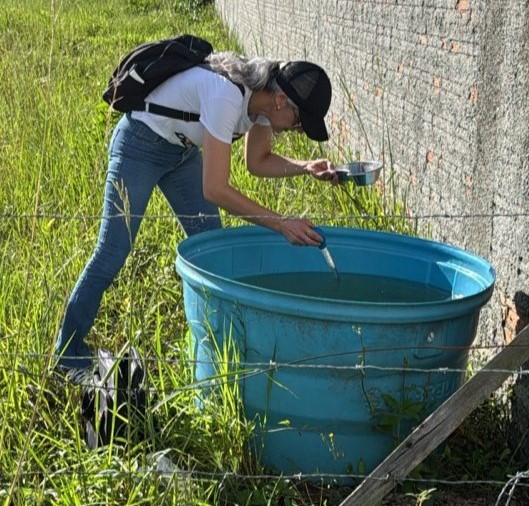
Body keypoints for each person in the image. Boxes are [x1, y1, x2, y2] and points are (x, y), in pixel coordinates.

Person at [54, 52, 337, 374]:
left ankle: (218, 345)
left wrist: (305, 168)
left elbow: (257, 162)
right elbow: (215, 189)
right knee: (112, 253)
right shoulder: (226, 96)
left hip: (181, 152)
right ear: (281, 100)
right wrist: (282, 224)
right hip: (139, 145)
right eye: (299, 121)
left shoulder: (262, 104)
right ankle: (67, 356)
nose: (297, 130)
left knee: (210, 250)